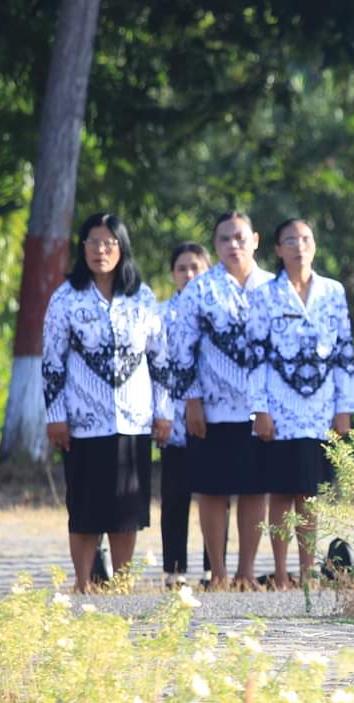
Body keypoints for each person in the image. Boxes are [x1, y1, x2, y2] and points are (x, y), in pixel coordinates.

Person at [42, 213, 172, 593]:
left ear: (122, 248)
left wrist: (163, 412)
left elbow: (160, 359)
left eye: (109, 242)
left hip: (132, 420)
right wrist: (55, 417)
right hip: (83, 421)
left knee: (126, 509)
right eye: (93, 242)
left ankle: (123, 584)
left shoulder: (141, 297)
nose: (101, 250)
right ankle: (82, 582)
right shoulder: (66, 298)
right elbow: (51, 362)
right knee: (84, 506)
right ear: (82, 249)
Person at [247, 219, 354, 590]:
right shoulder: (264, 295)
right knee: (280, 493)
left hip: (321, 407)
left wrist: (345, 407)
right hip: (278, 407)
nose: (298, 246)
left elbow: (344, 351)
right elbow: (255, 356)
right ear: (277, 249)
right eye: (290, 240)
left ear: (315, 244)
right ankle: (280, 572)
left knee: (310, 494)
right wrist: (258, 409)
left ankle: (308, 571)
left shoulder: (333, 291)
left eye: (305, 238)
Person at [169, 211, 274, 590]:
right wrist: (191, 400)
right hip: (211, 407)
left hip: (260, 408)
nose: (233, 245)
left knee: (254, 488)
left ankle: (247, 571)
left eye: (240, 237)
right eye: (224, 239)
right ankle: (219, 572)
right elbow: (180, 349)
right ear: (215, 246)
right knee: (212, 489)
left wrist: (270, 406)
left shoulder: (272, 287)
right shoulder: (201, 290)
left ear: (256, 240)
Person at [159, 242, 224, 586]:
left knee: (214, 495)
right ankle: (174, 570)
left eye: (196, 267)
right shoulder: (160, 314)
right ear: (172, 274)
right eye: (182, 268)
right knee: (175, 496)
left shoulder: (218, 311)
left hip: (211, 416)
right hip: (173, 420)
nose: (189, 274)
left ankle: (214, 568)